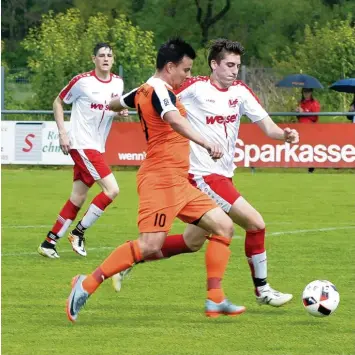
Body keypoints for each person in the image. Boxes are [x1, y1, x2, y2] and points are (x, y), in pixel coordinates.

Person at [66, 37, 246, 323]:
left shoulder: (144, 89)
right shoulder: (160, 91)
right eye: (185, 70)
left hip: (179, 181)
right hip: (159, 179)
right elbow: (174, 119)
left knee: (224, 227)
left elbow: (116, 102)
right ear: (170, 67)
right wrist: (206, 142)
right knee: (149, 245)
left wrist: (117, 108)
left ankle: (215, 299)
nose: (188, 75)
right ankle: (86, 283)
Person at [113, 38, 299, 307]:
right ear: (214, 64)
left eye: (238, 65)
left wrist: (285, 135)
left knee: (191, 243)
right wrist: (115, 104)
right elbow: (149, 90)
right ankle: (263, 290)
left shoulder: (241, 92)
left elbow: (269, 128)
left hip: (223, 174)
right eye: (229, 65)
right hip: (201, 175)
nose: (234, 70)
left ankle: (132, 256)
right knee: (256, 224)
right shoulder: (194, 87)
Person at [38, 43, 127, 259]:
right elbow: (58, 101)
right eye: (101, 55)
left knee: (77, 197)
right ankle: (78, 233)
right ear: (93, 59)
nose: (106, 58)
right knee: (112, 190)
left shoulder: (118, 82)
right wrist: (62, 133)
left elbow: (109, 109)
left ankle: (49, 242)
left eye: (109, 55)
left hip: (96, 146)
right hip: (82, 144)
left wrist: (119, 112)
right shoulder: (82, 81)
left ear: (113, 59)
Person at [295, 88, 320, 172]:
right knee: (302, 146)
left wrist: (304, 112)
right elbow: (299, 117)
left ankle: (311, 166)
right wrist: (297, 112)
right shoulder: (300, 103)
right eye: (304, 92)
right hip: (301, 127)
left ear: (311, 92)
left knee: (310, 147)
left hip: (310, 128)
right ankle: (302, 163)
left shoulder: (314, 103)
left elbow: (315, 117)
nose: (306, 94)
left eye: (308, 92)